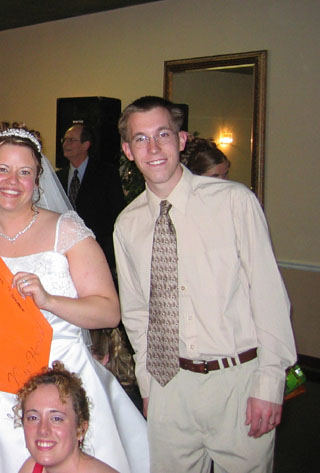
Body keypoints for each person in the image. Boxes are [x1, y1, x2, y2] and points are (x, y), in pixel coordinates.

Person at [0, 123, 149, 473]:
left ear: (37, 181)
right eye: (2, 169)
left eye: (24, 172)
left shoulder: (67, 230)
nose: (12, 181)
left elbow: (109, 312)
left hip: (61, 374)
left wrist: (49, 301)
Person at [113, 96, 297, 472]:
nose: (153, 148)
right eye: (141, 139)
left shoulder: (234, 202)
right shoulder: (127, 225)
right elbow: (136, 314)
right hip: (169, 388)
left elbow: (269, 297)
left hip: (238, 383)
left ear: (181, 140)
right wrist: (148, 387)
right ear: (128, 151)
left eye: (163, 134)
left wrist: (269, 383)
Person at [14, 361, 118, 473]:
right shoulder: (32, 467)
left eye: (56, 419)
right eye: (33, 418)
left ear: (81, 429)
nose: (43, 430)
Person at [55, 124, 125, 275]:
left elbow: (117, 214)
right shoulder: (58, 177)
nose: (65, 144)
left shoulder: (106, 173)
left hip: (99, 252)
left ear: (85, 144)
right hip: (65, 255)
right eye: (64, 140)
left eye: (71, 140)